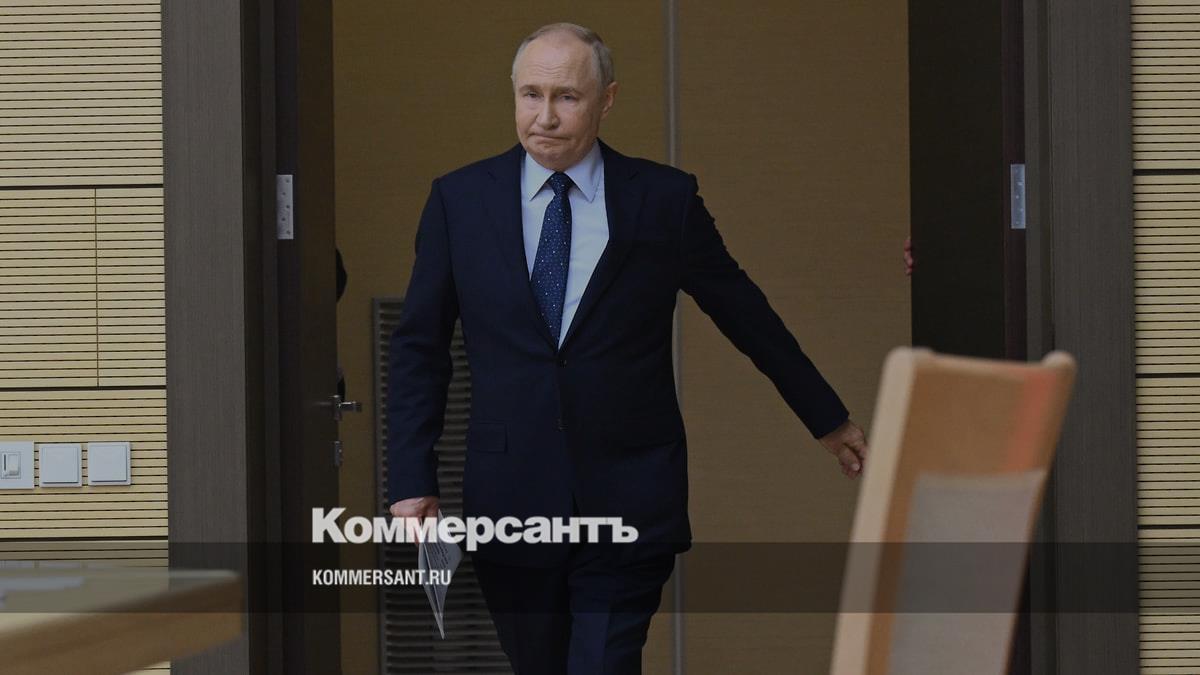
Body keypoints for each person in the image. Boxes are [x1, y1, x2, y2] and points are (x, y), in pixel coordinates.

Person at [386, 22, 868, 675]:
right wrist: (411, 479)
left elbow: (746, 314)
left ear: (606, 100)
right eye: (530, 95)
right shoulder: (459, 201)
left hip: (630, 491)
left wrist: (827, 418)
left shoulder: (663, 200)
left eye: (567, 97)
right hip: (511, 494)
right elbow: (420, 346)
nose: (545, 117)